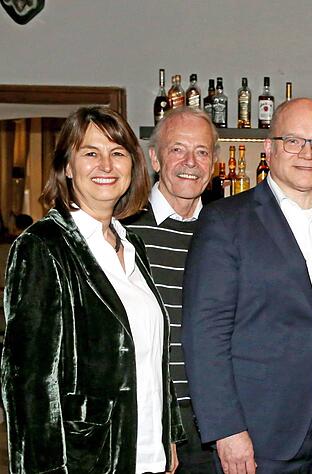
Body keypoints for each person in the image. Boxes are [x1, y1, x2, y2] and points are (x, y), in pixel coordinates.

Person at [182, 98, 312, 474]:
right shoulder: (225, 222)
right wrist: (227, 430)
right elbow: (205, 334)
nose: (308, 153)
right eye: (294, 141)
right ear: (269, 148)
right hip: (259, 433)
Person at [1, 106, 184, 473]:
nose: (106, 165)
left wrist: (167, 436)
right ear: (67, 167)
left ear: (132, 166)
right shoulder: (43, 247)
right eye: (90, 153)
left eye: (117, 153)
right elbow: (28, 387)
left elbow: (150, 358)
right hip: (86, 460)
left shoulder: (132, 246)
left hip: (146, 453)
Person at [125, 106, 219, 473]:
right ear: (154, 157)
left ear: (213, 162)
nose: (190, 162)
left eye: (201, 151)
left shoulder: (226, 229)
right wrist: (156, 420)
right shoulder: (124, 229)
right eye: (177, 149)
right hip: (151, 414)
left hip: (217, 414)